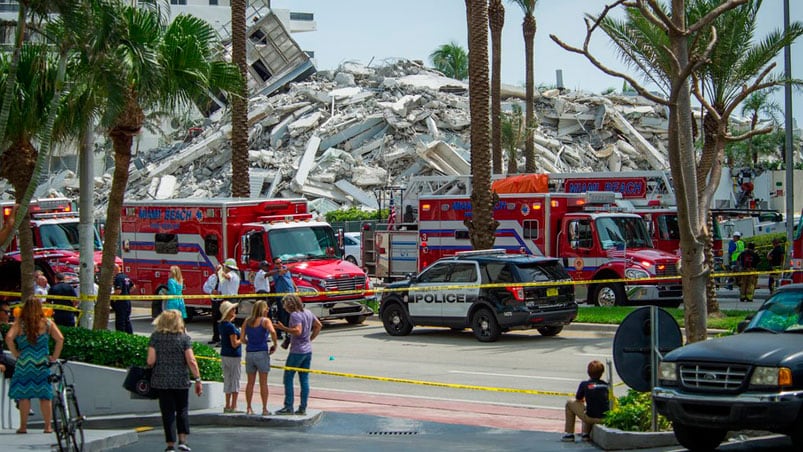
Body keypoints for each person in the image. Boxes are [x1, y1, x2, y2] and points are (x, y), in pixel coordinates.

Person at [4, 296, 64, 434]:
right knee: (45, 395)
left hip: (24, 362)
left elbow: (8, 338)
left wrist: (15, 353)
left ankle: (23, 427)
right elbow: (60, 339)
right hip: (41, 362)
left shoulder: (20, 324)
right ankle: (47, 427)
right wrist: (54, 357)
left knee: (24, 395)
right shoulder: (47, 323)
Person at [147, 309, 203, 452]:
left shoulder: (155, 337)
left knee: (167, 412)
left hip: (161, 380)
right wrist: (197, 379)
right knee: (182, 409)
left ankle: (170, 444)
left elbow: (150, 360)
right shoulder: (184, 338)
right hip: (180, 380)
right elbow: (191, 360)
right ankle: (183, 440)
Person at [275, 294, 322, 416]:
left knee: (288, 377)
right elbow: (318, 325)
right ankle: (303, 407)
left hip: (297, 351)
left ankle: (288, 406)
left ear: (290, 304)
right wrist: (310, 339)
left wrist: (283, 328)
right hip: (307, 350)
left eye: (284, 304)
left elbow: (297, 330)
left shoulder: (295, 315)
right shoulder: (307, 312)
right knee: (304, 379)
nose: (284, 307)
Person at [242, 300, 277, 416]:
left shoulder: (247, 321)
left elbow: (242, 338)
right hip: (262, 352)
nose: (267, 310)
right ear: (263, 309)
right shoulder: (265, 321)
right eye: (266, 308)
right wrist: (275, 344)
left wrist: (249, 342)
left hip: (250, 352)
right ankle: (264, 408)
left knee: (250, 383)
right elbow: (273, 332)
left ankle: (248, 407)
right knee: (263, 383)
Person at [562, 360, 610, 442]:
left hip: (590, 417)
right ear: (602, 372)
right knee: (590, 406)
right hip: (605, 418)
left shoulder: (584, 384)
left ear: (588, 372)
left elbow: (578, 398)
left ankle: (569, 434)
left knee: (570, 403)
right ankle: (585, 434)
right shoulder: (606, 385)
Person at [202, 258, 241, 345]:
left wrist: (220, 270)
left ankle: (227, 339)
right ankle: (220, 338)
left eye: (225, 266)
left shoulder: (232, 274)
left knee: (228, 320)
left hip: (230, 299)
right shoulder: (231, 275)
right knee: (224, 320)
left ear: (228, 267)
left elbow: (225, 276)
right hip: (226, 299)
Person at [218, 301, 243, 413]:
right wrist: (242, 337)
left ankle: (227, 404)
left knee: (227, 379)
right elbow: (234, 343)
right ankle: (234, 405)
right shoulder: (231, 327)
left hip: (224, 353)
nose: (235, 311)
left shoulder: (222, 325)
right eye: (233, 310)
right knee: (235, 379)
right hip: (234, 355)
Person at [270, 257, 295, 343]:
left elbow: (290, 279)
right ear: (274, 264)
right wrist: (288, 268)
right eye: (277, 263)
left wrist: (295, 288)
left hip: (290, 294)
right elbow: (281, 273)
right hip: (281, 295)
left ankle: (289, 331)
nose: (280, 264)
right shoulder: (275, 272)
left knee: (290, 314)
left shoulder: (286, 269)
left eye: (281, 262)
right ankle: (279, 332)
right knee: (281, 314)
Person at [113, 264, 136, 334]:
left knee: (120, 322)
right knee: (127, 320)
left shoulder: (118, 278)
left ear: (114, 270)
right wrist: (127, 292)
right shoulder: (125, 276)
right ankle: (130, 335)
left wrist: (111, 296)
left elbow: (118, 291)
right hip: (127, 301)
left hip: (121, 303)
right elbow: (133, 286)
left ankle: (121, 336)